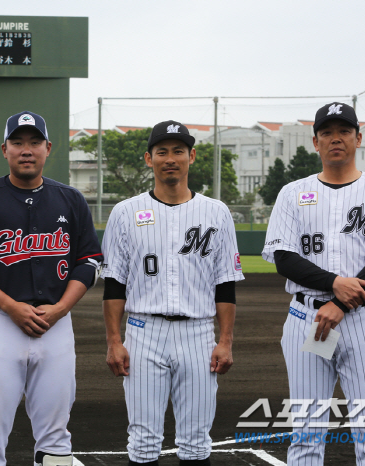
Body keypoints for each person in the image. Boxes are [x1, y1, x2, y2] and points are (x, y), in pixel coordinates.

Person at [0, 111, 102, 466]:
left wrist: (61, 308)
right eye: (18, 142)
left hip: (56, 325)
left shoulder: (71, 199)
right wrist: (8, 305)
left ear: (48, 148)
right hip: (0, 324)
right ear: (5, 150)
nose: (26, 150)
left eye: (34, 142)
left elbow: (89, 261)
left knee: (56, 435)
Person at [262, 102, 365, 465]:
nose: (336, 138)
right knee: (307, 432)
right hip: (310, 323)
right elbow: (283, 257)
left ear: (358, 138)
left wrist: (342, 302)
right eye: (327, 132)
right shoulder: (293, 193)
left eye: (344, 131)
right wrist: (334, 284)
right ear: (315, 142)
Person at [101, 121, 244, 465]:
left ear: (191, 156)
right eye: (161, 151)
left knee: (196, 442)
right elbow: (113, 284)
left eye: (178, 151)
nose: (170, 158)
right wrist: (113, 340)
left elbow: (225, 283)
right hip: (143, 332)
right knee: (143, 442)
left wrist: (225, 341)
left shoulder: (216, 213)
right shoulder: (125, 213)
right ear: (148, 159)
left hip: (197, 333)